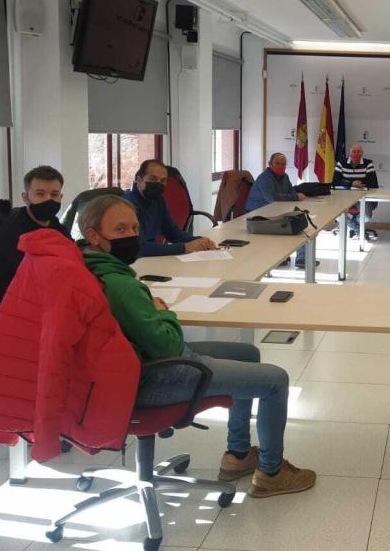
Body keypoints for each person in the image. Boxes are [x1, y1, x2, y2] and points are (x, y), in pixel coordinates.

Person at [79, 195, 316, 498]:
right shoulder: (119, 284)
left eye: (135, 228)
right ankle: (272, 472)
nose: (132, 236)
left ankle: (238, 454)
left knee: (249, 354)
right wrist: (162, 312)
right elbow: (168, 344)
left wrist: (149, 310)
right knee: (275, 380)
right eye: (120, 229)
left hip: (133, 366)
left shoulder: (92, 268)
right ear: (93, 235)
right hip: (151, 377)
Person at [0, 166, 70, 328]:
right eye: (40, 194)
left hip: (40, 307)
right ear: (26, 197)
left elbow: (73, 258)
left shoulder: (55, 226)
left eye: (54, 195)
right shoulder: (14, 232)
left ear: (61, 197)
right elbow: (36, 281)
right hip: (5, 317)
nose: (49, 200)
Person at [123, 159, 216, 258]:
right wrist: (185, 247)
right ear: (139, 180)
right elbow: (139, 247)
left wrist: (199, 240)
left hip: (149, 259)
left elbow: (172, 232)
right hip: (131, 261)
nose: (158, 184)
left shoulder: (158, 200)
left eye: (162, 181)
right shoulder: (126, 205)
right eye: (153, 178)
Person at [246, 153, 315, 269]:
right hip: (259, 214)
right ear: (270, 164)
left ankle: (300, 258)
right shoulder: (265, 178)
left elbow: (291, 193)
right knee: (294, 225)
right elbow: (272, 199)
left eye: (283, 164)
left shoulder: (284, 176)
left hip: (275, 211)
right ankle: (287, 256)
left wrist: (294, 196)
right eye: (277, 163)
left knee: (301, 221)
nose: (281, 166)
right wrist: (295, 197)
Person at [332, 143, 378, 239]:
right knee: (336, 214)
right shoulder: (341, 162)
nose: (356, 154)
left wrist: (345, 182)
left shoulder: (368, 163)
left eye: (359, 151)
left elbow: (372, 182)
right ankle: (358, 229)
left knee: (366, 216)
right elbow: (335, 181)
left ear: (362, 153)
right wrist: (351, 184)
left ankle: (352, 224)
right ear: (350, 152)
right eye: (354, 151)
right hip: (344, 197)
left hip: (363, 197)